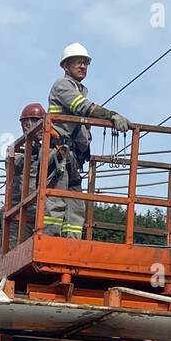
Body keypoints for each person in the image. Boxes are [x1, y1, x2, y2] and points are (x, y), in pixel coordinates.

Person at [44, 43, 131, 239]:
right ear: (66, 65)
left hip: (73, 157)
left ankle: (72, 244)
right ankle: (50, 240)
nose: (83, 66)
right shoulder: (62, 85)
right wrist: (111, 115)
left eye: (85, 63)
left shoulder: (80, 89)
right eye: (78, 62)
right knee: (56, 201)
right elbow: (83, 107)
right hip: (59, 153)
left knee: (75, 204)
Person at [7, 102, 46, 249]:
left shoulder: (45, 147)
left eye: (42, 121)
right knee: (12, 251)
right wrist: (30, 153)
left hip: (38, 210)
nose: (40, 125)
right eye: (36, 121)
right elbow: (11, 164)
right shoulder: (15, 147)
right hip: (17, 210)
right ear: (26, 124)